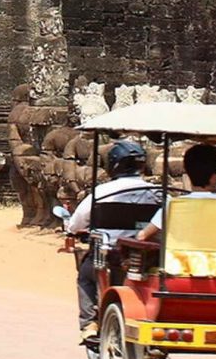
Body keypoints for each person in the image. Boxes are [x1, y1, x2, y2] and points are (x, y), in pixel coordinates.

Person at [67, 140, 158, 342]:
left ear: (114, 165)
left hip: (108, 256)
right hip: (146, 259)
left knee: (85, 275)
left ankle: (89, 323)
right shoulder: (157, 193)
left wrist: (72, 231)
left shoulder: (102, 192)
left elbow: (76, 223)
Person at [136, 143, 216, 242]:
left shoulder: (173, 205)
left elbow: (142, 236)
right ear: (213, 177)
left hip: (180, 256)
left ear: (188, 174)